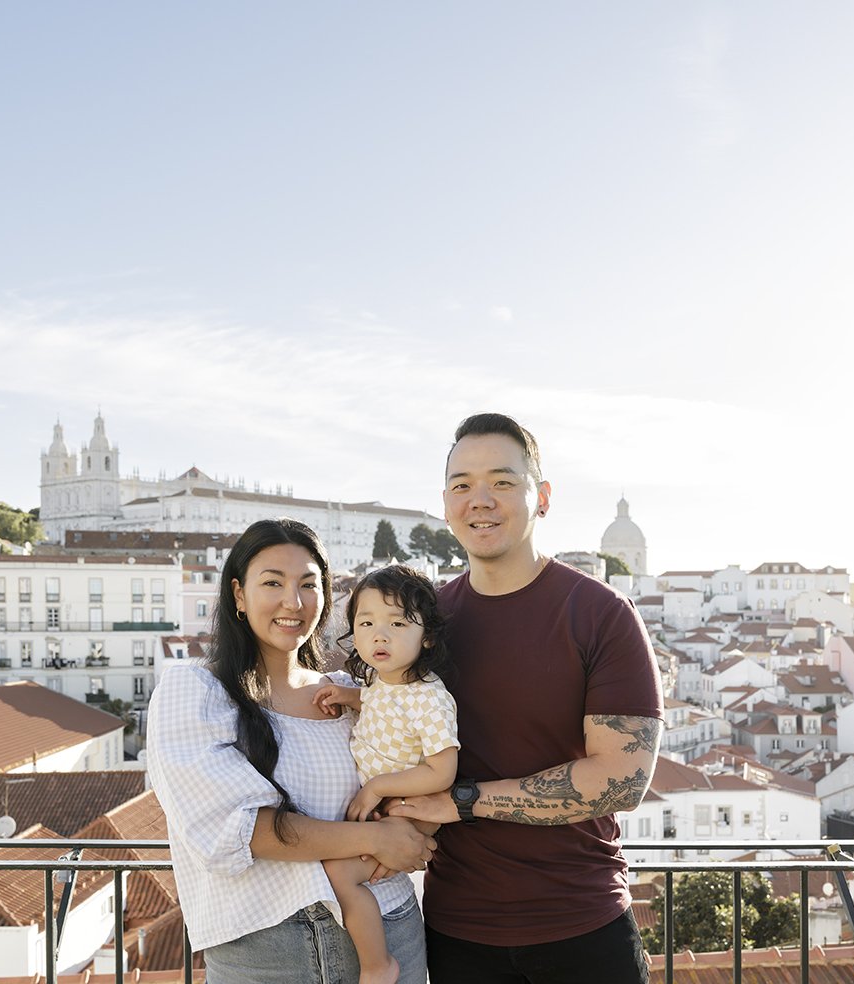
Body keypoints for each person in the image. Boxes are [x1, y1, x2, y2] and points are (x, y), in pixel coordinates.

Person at [389, 412, 664, 983]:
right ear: (445, 505)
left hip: (584, 928)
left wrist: (463, 801)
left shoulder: (602, 614)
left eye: (502, 482)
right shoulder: (424, 624)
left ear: (541, 496)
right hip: (455, 934)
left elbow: (621, 779)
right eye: (462, 485)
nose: (480, 500)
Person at [146, 518, 437, 984]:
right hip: (266, 954)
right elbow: (238, 830)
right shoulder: (195, 692)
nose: (293, 601)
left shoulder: (352, 693)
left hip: (388, 931)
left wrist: (410, 828)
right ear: (238, 595)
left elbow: (425, 763)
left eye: (308, 584)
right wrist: (376, 840)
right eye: (273, 583)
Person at [312, 565, 459, 984]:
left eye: (397, 623)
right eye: (367, 622)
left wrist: (377, 787)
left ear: (426, 636)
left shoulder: (429, 697)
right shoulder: (384, 681)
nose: (380, 635)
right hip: (392, 804)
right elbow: (382, 707)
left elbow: (443, 769)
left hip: (410, 809)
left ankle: (379, 965)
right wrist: (350, 696)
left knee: (340, 873)